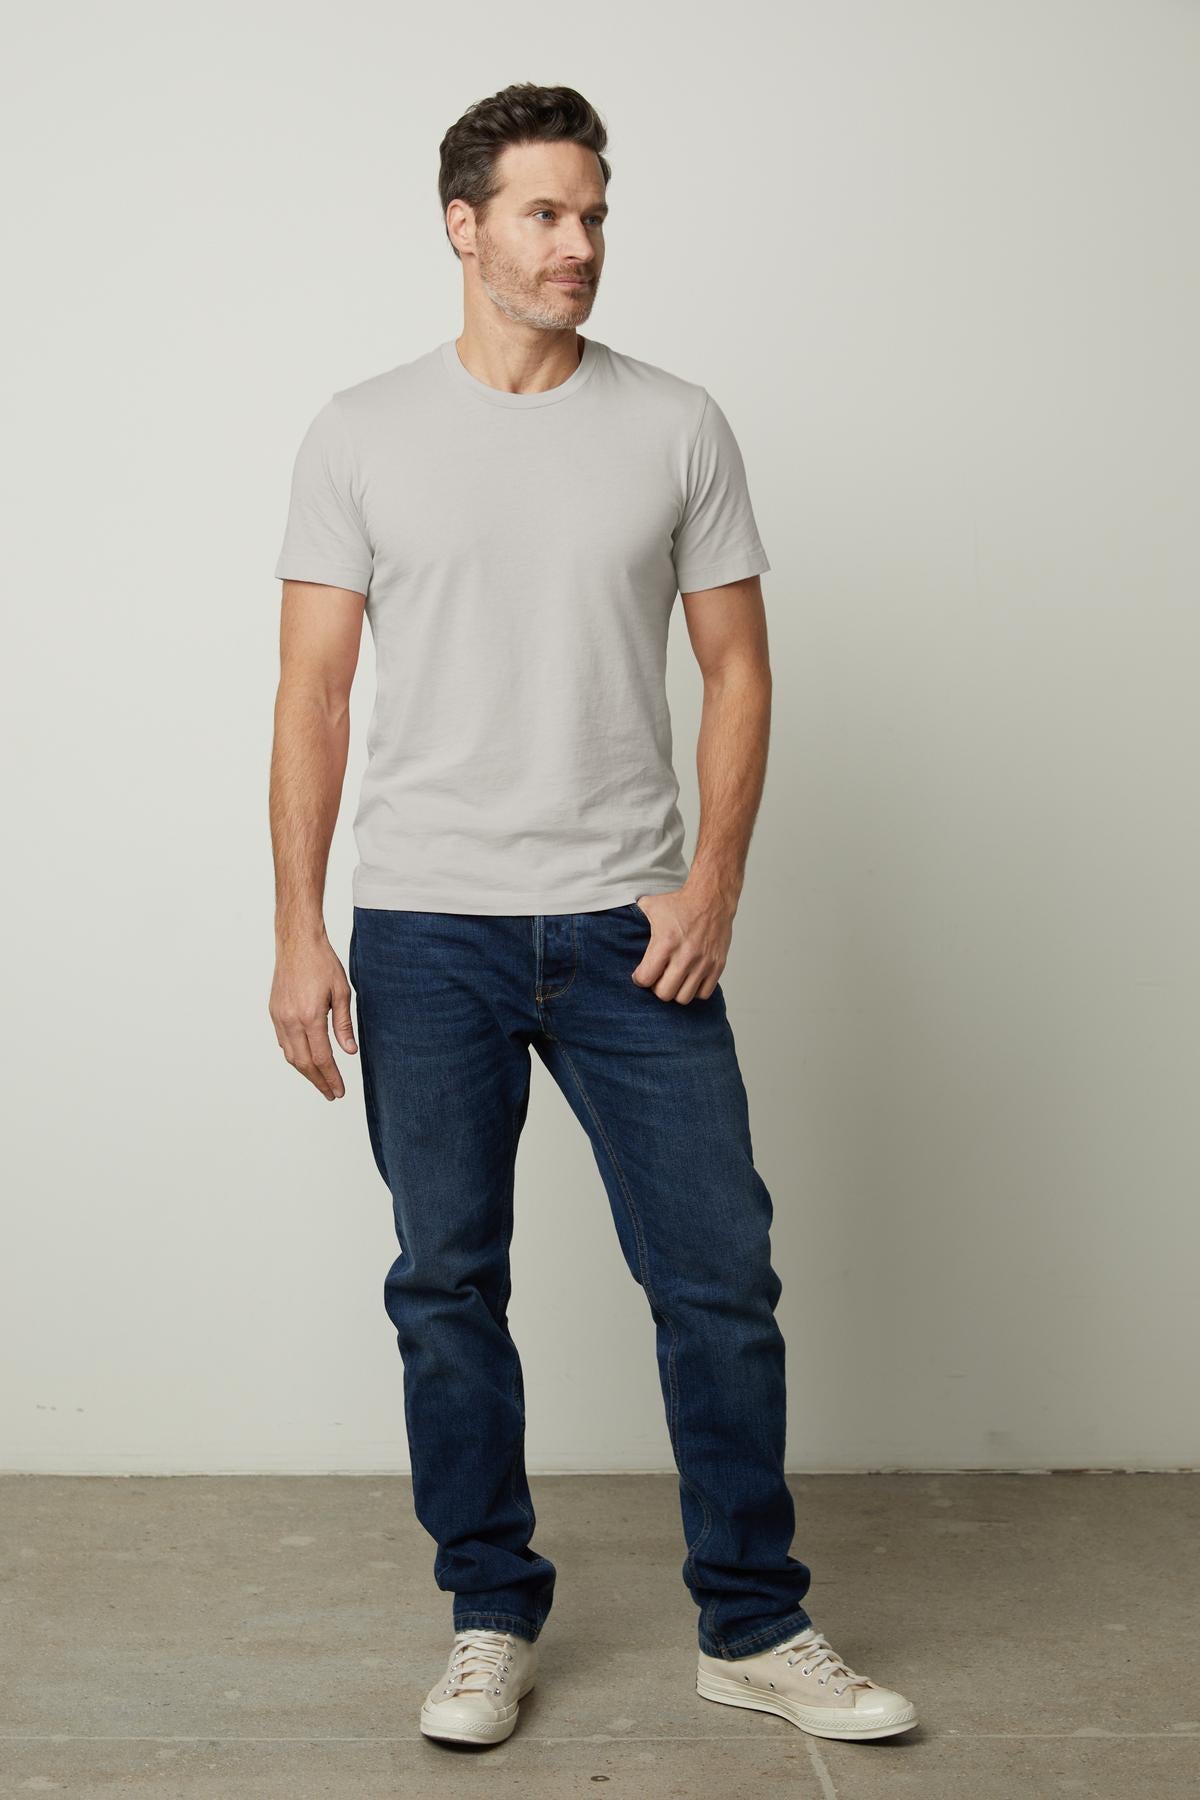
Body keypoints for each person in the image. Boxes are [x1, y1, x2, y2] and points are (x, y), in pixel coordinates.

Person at [267, 81, 918, 1749]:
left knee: (717, 1276)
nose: (582, 245)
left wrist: (712, 882)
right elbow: (314, 700)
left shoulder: (676, 422)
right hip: (427, 927)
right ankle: (489, 1614)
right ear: (464, 224)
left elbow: (741, 667)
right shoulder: (360, 430)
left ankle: (754, 1625)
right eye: (549, 214)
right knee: (446, 1284)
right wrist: (298, 930)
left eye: (599, 213)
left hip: (633, 927)